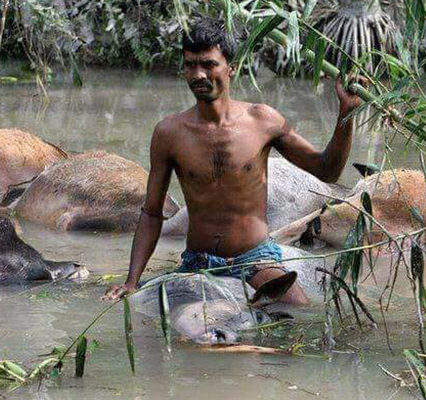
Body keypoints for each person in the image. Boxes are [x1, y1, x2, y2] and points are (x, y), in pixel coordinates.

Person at [103, 18, 363, 304]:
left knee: (300, 314)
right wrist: (131, 280)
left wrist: (345, 113)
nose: (198, 75)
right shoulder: (169, 133)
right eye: (190, 65)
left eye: (209, 64)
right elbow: (152, 213)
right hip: (198, 261)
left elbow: (327, 170)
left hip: (255, 258)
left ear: (231, 68)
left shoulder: (262, 120)